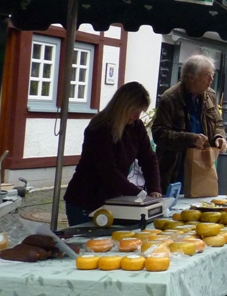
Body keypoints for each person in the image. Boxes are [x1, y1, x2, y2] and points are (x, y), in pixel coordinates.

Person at [64, 82, 162, 225]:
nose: (137, 116)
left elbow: (149, 158)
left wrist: (154, 189)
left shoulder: (136, 126)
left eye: (140, 112)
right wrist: (138, 194)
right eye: (134, 111)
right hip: (85, 200)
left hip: (112, 199)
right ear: (123, 106)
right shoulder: (100, 128)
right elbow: (107, 170)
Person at [152, 55, 227, 192]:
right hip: (176, 168)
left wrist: (219, 137)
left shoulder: (210, 95)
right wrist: (190, 139)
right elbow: (159, 134)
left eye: (212, 75)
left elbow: (217, 122)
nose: (211, 79)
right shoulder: (170, 98)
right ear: (191, 77)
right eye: (207, 75)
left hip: (202, 164)